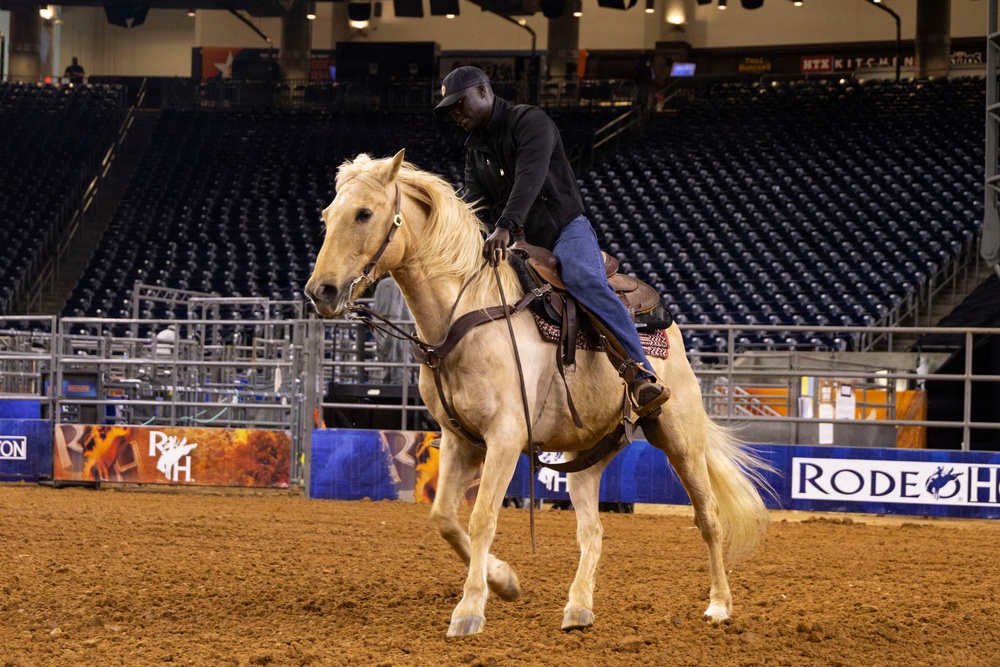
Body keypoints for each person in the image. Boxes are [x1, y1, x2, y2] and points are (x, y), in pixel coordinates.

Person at [433, 66, 668, 418]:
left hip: (563, 231)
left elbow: (530, 177)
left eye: (458, 103)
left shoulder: (530, 121)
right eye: (448, 108)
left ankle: (640, 372)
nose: (454, 112)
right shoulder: (474, 151)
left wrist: (504, 226)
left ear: (483, 91)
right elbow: (474, 202)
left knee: (582, 278)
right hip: (517, 241)